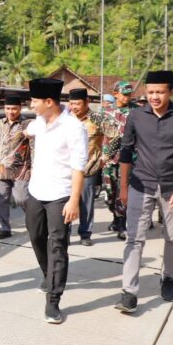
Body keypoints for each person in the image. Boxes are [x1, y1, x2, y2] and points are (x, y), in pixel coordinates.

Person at [115, 71, 173, 313]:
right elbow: (125, 151)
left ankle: (168, 278)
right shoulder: (136, 115)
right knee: (134, 238)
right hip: (141, 184)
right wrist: (123, 187)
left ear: (171, 91)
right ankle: (129, 291)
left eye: (160, 92)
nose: (154, 97)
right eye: (150, 92)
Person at [25, 79, 87, 324]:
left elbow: (78, 167)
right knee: (35, 237)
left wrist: (74, 201)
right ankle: (48, 274)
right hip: (36, 192)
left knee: (57, 245)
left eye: (34, 101)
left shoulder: (73, 128)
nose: (31, 105)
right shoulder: (39, 123)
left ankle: (53, 300)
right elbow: (26, 131)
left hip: (61, 195)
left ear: (48, 102)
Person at [68, 88, 112, 246]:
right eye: (72, 103)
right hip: (67, 170)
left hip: (88, 168)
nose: (74, 107)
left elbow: (115, 136)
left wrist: (105, 155)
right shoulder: (65, 119)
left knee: (86, 203)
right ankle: (65, 234)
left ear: (86, 102)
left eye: (77, 104)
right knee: (65, 202)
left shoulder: (97, 118)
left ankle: (85, 234)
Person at [0, 95, 31, 240]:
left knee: (22, 198)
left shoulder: (28, 124)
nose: (11, 111)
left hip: (22, 170)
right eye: (8, 108)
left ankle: (33, 221)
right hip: (1, 170)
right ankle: (3, 229)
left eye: (14, 108)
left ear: (20, 108)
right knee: (1, 200)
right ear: (4, 108)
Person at [101, 81, 138, 240]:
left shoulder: (137, 111)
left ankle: (122, 224)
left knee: (123, 193)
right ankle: (116, 217)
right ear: (115, 94)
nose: (127, 97)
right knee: (110, 193)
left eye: (129, 94)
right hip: (109, 159)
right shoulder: (105, 112)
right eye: (124, 94)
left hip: (129, 159)